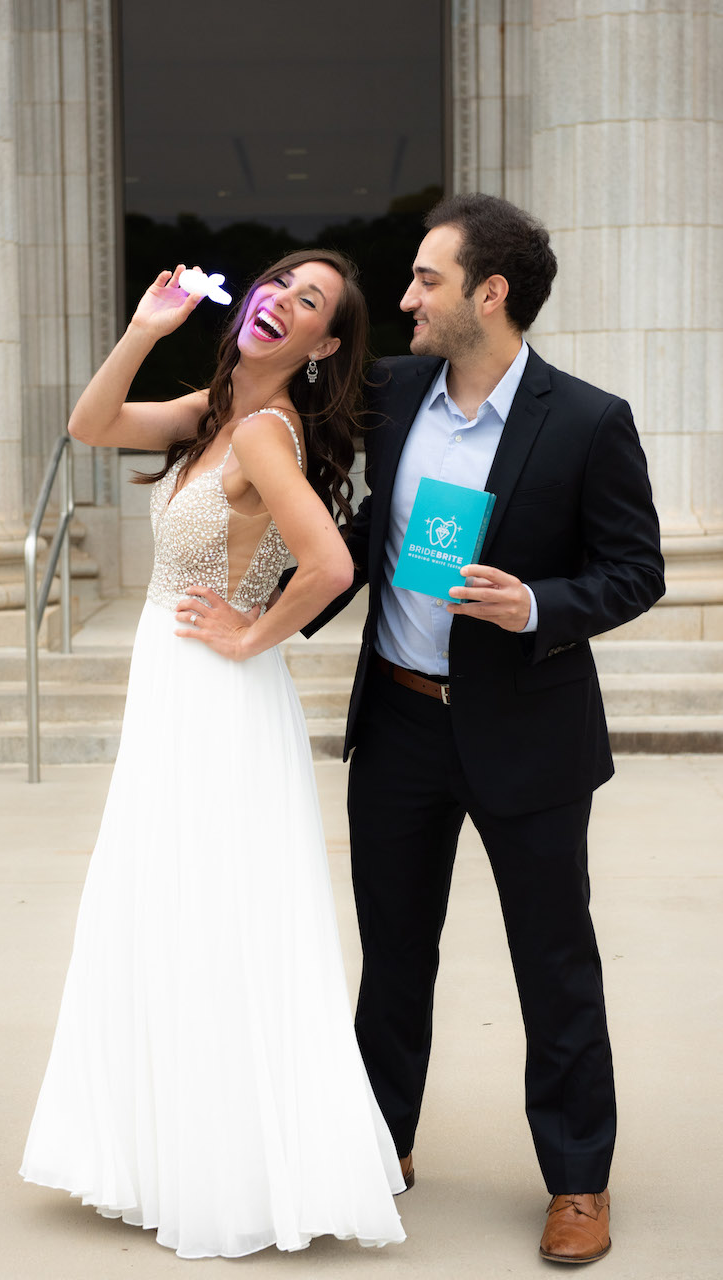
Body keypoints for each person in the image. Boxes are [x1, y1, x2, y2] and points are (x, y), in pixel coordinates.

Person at [295, 194, 665, 1265]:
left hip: (528, 731)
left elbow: (633, 570)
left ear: (487, 294)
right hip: (402, 723)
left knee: (552, 962)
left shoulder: (588, 419)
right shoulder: (395, 391)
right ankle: (380, 1141)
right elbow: (366, 529)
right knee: (393, 954)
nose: (404, 298)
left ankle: (577, 1179)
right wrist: (279, 603)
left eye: (424, 280)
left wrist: (536, 604)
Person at [19, 251, 406, 1258]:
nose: (282, 299)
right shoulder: (207, 410)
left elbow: (327, 562)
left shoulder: (269, 431)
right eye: (279, 283)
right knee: (165, 902)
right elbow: (90, 426)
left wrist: (249, 633)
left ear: (323, 345)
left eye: (311, 301)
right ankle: (169, 1151)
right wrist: (147, 325)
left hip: (215, 691)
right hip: (172, 687)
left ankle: (230, 1165)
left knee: (212, 909)